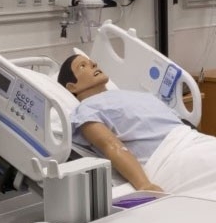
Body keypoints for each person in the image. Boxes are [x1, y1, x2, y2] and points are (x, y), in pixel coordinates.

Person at [58, 54, 187, 193]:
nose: (94, 64)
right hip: (170, 153)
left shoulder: (133, 94)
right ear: (72, 87)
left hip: (189, 137)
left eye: (91, 62)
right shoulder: (86, 109)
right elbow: (111, 146)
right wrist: (144, 185)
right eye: (82, 66)